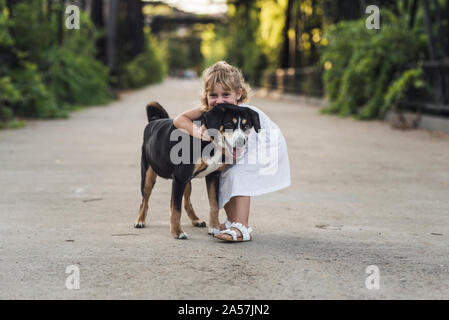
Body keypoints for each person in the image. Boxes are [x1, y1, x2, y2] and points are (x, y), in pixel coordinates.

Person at [173, 61, 290, 242]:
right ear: (207, 95)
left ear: (238, 94)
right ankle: (232, 221)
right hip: (236, 150)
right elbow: (179, 120)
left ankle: (242, 226)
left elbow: (243, 140)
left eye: (225, 94)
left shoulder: (242, 112)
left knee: (239, 172)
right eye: (213, 95)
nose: (219, 101)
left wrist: (226, 152)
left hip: (265, 143)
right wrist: (201, 134)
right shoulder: (208, 110)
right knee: (224, 174)